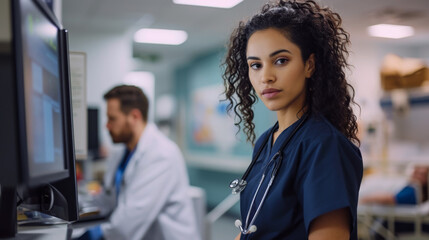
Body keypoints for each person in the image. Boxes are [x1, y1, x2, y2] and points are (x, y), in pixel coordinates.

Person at [222, 0, 363, 239]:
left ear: (309, 65)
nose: (266, 77)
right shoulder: (266, 142)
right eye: (255, 65)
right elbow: (253, 228)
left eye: (281, 61)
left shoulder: (324, 146)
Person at [79, 85, 200, 240]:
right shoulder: (121, 154)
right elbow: (107, 199)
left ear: (135, 117)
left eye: (112, 118)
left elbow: (126, 225)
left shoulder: (161, 154)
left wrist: (88, 236)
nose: (107, 125)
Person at [359, 165, 429, 239]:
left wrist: (366, 199)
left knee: (378, 229)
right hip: (399, 217)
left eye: (420, 173)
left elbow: (390, 199)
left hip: (399, 219)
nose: (414, 173)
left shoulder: (414, 190)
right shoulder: (414, 188)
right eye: (416, 170)